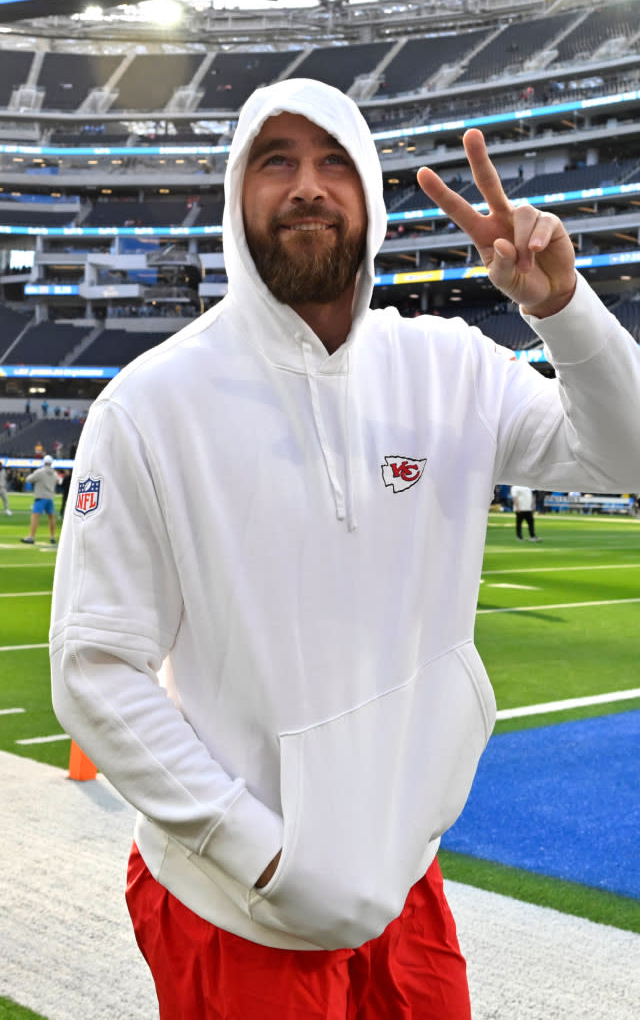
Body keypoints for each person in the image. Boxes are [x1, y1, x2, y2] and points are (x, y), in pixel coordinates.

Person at [50, 79, 640, 1020]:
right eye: (275, 160)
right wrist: (268, 855)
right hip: (234, 905)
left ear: (367, 190)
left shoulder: (449, 366)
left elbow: (628, 453)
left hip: (404, 884)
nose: (306, 186)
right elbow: (94, 669)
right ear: (238, 190)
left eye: (332, 161)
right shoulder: (150, 404)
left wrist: (564, 309)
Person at [21, 454, 58, 545]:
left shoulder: (40, 472)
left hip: (41, 496)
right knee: (51, 517)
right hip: (50, 497)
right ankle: (52, 536)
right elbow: (57, 481)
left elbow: (29, 479)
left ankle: (31, 537)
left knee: (35, 517)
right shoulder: (54, 473)